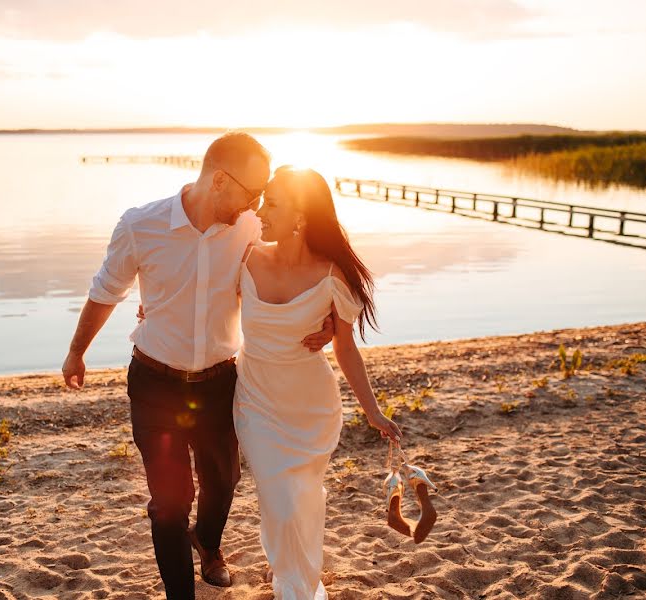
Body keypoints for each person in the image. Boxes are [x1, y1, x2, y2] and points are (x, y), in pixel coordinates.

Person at [61, 133, 334, 600]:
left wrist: (326, 319)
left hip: (218, 383)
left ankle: (207, 544)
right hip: (154, 384)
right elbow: (107, 289)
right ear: (221, 182)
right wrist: (76, 350)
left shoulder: (250, 227)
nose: (259, 203)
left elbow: (298, 266)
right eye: (254, 192)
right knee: (169, 505)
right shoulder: (140, 225)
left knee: (223, 481)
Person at [234, 166, 405, 600]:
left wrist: (373, 412)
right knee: (278, 498)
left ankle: (296, 580)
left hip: (310, 406)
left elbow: (346, 349)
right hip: (254, 398)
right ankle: (291, 583)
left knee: (301, 498)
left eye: (272, 203)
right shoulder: (245, 256)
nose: (260, 209)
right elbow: (203, 303)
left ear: (301, 217)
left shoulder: (332, 275)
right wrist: (154, 310)